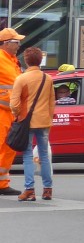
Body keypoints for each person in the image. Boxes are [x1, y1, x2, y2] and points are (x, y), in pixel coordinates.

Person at [11, 46, 54, 201]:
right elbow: (51, 102)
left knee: (28, 155)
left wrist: (17, 115)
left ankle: (29, 190)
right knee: (44, 155)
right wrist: (49, 119)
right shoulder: (47, 78)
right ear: (40, 60)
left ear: (26, 61)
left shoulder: (21, 79)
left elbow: (14, 104)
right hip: (43, 121)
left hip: (26, 122)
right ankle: (48, 189)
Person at [0, 26, 23, 195]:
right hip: (2, 112)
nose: (19, 45)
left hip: (11, 113)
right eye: (16, 42)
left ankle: (2, 184)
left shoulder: (12, 60)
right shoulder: (2, 59)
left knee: (8, 149)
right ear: (6, 43)